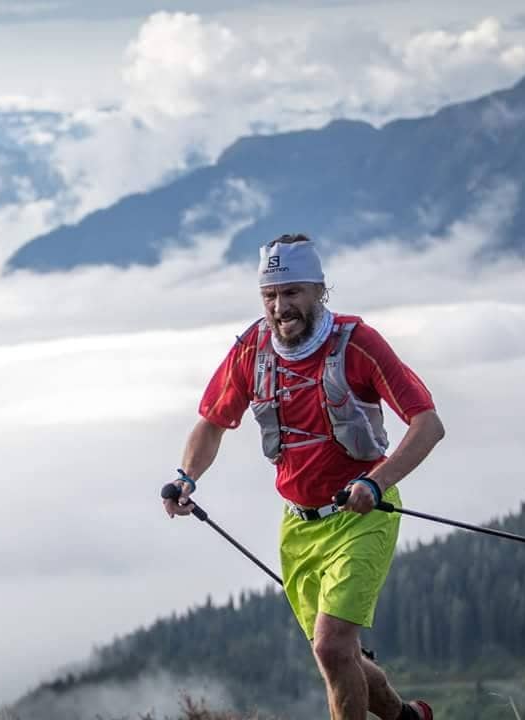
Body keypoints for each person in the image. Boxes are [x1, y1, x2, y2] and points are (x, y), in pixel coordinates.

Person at [164, 234, 445, 720]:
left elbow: (427, 425)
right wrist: (186, 477)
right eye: (270, 295)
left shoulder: (359, 344)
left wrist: (376, 483)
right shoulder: (252, 349)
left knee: (333, 649)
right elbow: (212, 422)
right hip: (298, 525)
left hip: (364, 515)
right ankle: (407, 718)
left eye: (291, 292)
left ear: (319, 290)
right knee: (340, 656)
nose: (280, 307)